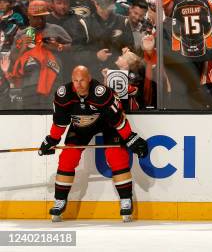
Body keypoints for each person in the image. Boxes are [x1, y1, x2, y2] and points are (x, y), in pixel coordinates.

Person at [38, 65, 149, 222]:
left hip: (107, 124)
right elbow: (60, 123)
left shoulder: (101, 93)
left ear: (89, 79)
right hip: (80, 126)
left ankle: (126, 200)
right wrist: (52, 139)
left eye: (82, 80)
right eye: (75, 81)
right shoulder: (63, 94)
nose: (79, 84)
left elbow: (118, 120)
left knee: (116, 156)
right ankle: (60, 201)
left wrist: (130, 137)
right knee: (67, 158)